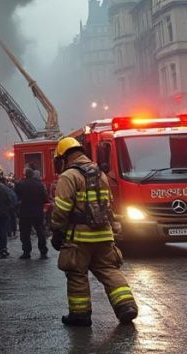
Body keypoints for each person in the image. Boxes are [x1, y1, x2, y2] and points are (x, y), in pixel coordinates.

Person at [50, 136, 137, 327]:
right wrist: (114, 229)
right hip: (104, 235)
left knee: (76, 273)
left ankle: (80, 315)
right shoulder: (100, 174)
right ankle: (126, 306)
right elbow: (108, 206)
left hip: (79, 237)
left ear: (64, 157)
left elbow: (62, 208)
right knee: (109, 270)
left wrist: (57, 230)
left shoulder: (69, 176)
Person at [15, 166, 49, 259]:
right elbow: (45, 198)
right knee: (40, 232)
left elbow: (17, 197)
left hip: (25, 212)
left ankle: (26, 252)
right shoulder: (40, 185)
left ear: (25, 175)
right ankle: (43, 251)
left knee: (25, 233)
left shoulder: (20, 184)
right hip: (38, 212)